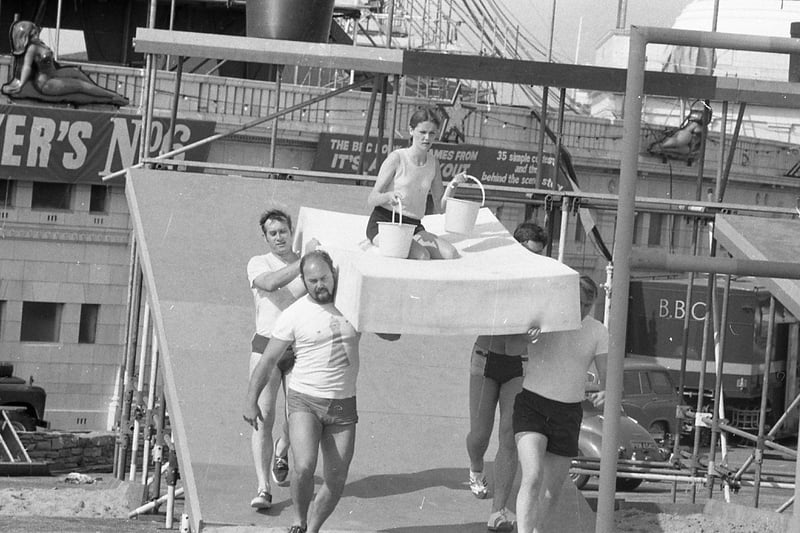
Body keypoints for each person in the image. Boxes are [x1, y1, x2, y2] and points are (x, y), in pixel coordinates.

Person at [243, 250, 398, 533]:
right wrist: (250, 399)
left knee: (336, 478)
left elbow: (392, 334)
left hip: (342, 404)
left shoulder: (352, 306)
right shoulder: (294, 314)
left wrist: (382, 308)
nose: (319, 285)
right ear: (304, 280)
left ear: (334, 275)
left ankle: (312, 528)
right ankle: (298, 521)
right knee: (303, 466)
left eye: (324, 278)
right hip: (305, 401)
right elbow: (267, 360)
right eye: (312, 280)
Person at [465, 221, 548, 532]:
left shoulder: (541, 280)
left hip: (518, 360)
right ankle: (475, 468)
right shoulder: (496, 273)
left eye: (539, 254)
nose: (534, 260)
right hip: (486, 357)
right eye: (529, 253)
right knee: (479, 434)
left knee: (510, 435)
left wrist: (539, 329)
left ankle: (498, 509)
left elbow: (550, 319)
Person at [513, 275, 608, 533]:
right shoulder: (545, 317)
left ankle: (536, 530)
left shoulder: (598, 330)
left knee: (552, 491)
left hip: (567, 411)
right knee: (532, 477)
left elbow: (607, 375)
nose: (582, 308)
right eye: (578, 302)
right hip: (532, 404)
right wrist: (527, 337)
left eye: (588, 304)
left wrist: (606, 390)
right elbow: (511, 347)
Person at [246, 209, 318, 509]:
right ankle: (263, 488)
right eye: (272, 233)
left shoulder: (309, 262)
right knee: (263, 417)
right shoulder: (258, 263)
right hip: (266, 346)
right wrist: (304, 262)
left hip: (298, 349)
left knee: (295, 418)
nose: (278, 237)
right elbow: (271, 283)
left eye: (283, 231)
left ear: (292, 232)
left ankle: (282, 448)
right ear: (266, 237)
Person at [366, 105, 462, 260]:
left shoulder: (433, 163)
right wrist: (389, 196)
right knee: (422, 256)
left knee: (451, 253)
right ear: (411, 131)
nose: (427, 138)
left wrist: (454, 184)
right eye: (422, 132)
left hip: (413, 225)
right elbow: (372, 198)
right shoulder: (396, 158)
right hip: (385, 222)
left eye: (432, 133)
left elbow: (440, 207)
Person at [1, 20, 129, 106]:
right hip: (46, 82)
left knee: (77, 72)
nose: (36, 34)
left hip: (54, 73)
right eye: (32, 33)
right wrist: (20, 84)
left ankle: (108, 95)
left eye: (36, 31)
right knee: (80, 86)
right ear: (25, 37)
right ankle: (112, 97)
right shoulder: (32, 48)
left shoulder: (38, 44)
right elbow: (27, 67)